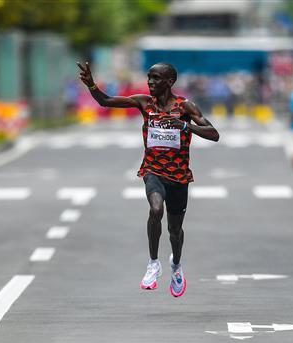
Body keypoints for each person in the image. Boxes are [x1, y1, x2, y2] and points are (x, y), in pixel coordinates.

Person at [77, 61, 219, 297]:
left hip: (179, 176)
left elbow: (214, 134)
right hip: (153, 170)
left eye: (155, 78)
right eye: (149, 77)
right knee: (155, 210)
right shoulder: (144, 102)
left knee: (175, 231)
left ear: (170, 82)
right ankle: (153, 263)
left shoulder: (186, 107)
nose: (150, 82)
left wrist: (185, 126)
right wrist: (91, 84)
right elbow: (106, 101)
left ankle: (176, 266)